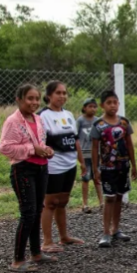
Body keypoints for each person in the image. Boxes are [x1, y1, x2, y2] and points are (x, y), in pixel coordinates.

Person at [0, 83, 58, 272]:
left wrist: (46, 150)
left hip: (41, 168)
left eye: (37, 98)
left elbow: (39, 142)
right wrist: (33, 149)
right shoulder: (13, 122)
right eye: (30, 98)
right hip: (23, 170)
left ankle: (36, 253)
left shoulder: (38, 119)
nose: (34, 102)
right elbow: (5, 148)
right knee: (28, 213)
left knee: (37, 210)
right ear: (19, 99)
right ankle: (18, 260)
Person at [39, 81, 84, 250]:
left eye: (65, 93)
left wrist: (82, 161)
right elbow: (40, 141)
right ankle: (47, 241)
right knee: (50, 202)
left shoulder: (69, 115)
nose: (62, 96)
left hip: (70, 164)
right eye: (58, 93)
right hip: (53, 166)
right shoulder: (43, 116)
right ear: (49, 95)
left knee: (63, 201)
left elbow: (75, 140)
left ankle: (64, 237)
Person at [91, 91, 137, 248]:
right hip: (107, 168)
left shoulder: (124, 123)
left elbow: (130, 144)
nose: (112, 105)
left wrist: (134, 165)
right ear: (102, 105)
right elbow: (95, 148)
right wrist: (95, 169)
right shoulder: (99, 125)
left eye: (115, 102)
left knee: (119, 197)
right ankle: (106, 232)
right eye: (109, 102)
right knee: (109, 197)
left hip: (123, 166)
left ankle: (116, 228)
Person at [77, 97, 102, 214]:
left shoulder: (98, 121)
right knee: (86, 178)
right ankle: (85, 204)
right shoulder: (80, 121)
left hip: (96, 153)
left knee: (98, 178)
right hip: (85, 153)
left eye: (94, 106)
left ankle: (101, 202)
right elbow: (75, 137)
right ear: (84, 108)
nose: (92, 109)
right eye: (90, 106)